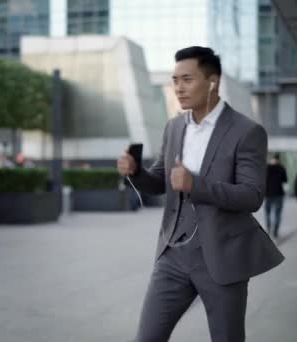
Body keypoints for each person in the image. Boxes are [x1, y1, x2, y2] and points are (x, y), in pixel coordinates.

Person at [117, 46, 284, 342]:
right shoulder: (174, 128)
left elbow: (251, 195)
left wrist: (197, 185)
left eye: (187, 79)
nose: (179, 88)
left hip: (221, 258)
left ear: (212, 82)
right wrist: (135, 172)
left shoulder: (247, 132)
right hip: (173, 255)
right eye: (175, 80)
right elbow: (160, 181)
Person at [265, 153, 288, 238]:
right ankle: (275, 231)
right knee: (277, 213)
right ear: (279, 159)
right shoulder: (282, 168)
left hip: (268, 194)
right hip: (279, 193)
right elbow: (285, 180)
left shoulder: (267, 167)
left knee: (267, 212)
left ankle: (268, 229)